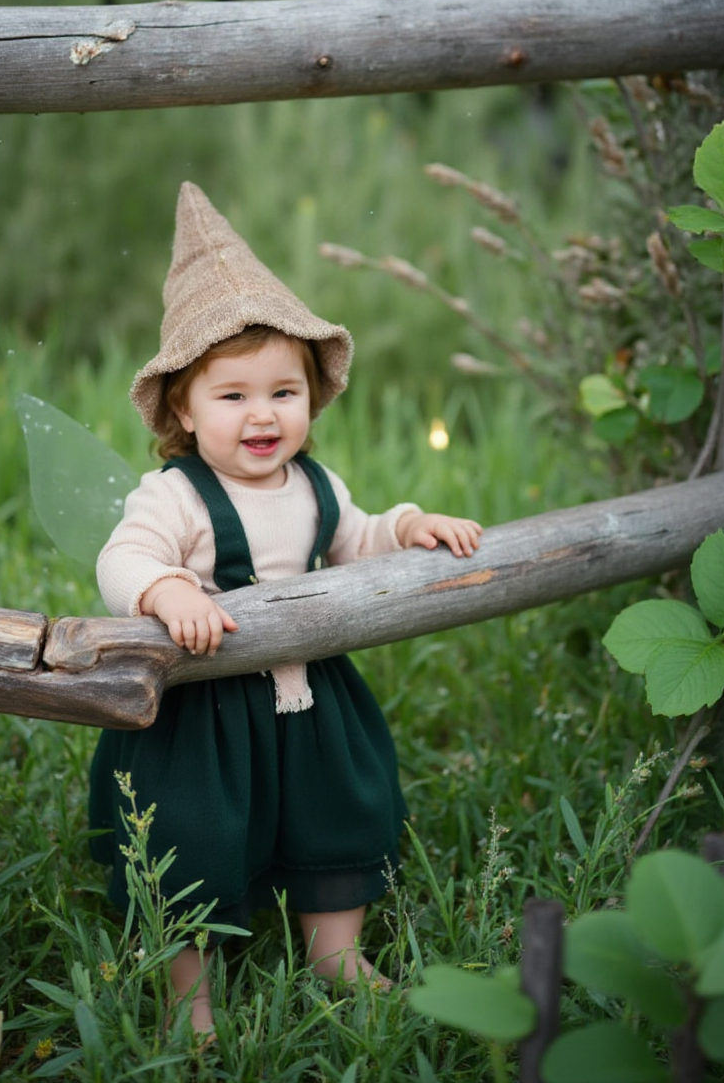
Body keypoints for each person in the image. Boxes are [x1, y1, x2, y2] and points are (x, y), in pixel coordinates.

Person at [89, 182, 482, 1038]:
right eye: (232, 397)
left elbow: (357, 539)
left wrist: (411, 526)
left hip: (311, 702)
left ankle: (336, 951)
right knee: (188, 837)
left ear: (310, 397)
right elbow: (121, 559)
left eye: (284, 392)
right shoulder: (175, 495)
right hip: (203, 715)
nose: (262, 415)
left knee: (342, 809)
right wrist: (166, 589)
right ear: (185, 411)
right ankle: (187, 993)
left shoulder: (316, 483)